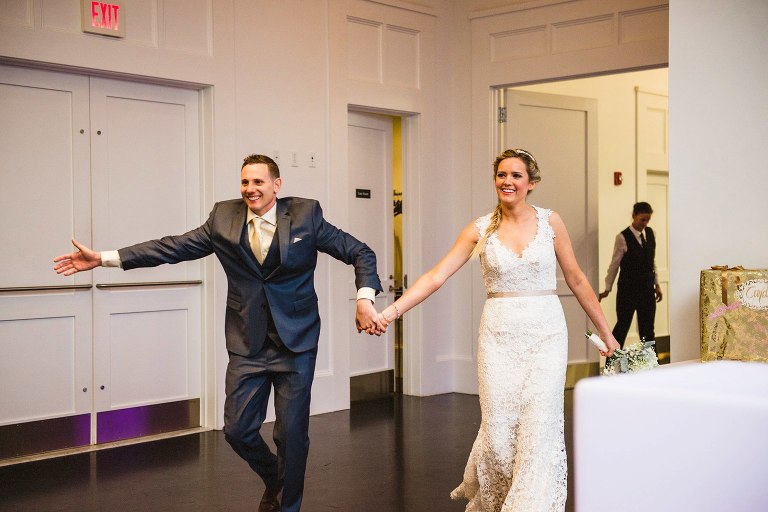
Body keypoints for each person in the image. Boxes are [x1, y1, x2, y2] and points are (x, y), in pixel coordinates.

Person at [53, 154, 384, 512]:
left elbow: (359, 252)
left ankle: (288, 505)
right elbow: (172, 247)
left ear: (277, 185)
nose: (250, 189)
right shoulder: (223, 218)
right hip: (247, 344)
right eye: (244, 182)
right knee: (237, 430)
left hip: (297, 343)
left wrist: (365, 297)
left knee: (290, 435)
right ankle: (276, 476)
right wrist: (104, 258)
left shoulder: (306, 214)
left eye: (258, 182)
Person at [375, 148, 619, 512]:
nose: (507, 181)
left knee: (539, 425)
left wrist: (608, 333)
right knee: (500, 432)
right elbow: (435, 277)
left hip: (546, 334)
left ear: (531, 183)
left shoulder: (551, 222)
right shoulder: (479, 228)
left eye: (516, 175)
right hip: (498, 337)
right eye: (502, 175)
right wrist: (390, 313)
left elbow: (578, 280)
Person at [598, 201, 663, 348]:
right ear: (634, 216)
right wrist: (607, 289)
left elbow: (652, 262)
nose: (645, 223)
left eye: (648, 220)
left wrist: (657, 284)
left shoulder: (651, 234)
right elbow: (614, 265)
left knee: (648, 331)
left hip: (647, 290)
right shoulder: (622, 237)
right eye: (642, 219)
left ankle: (652, 365)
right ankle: (611, 365)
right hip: (628, 291)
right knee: (622, 327)